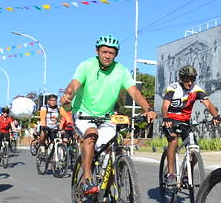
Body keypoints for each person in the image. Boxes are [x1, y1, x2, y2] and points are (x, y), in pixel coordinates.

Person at [60, 34, 157, 194]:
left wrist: (148, 109)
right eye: (104, 52)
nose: (107, 56)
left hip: (106, 116)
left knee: (116, 149)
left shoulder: (121, 70)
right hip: (84, 114)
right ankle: (86, 179)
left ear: (116, 55)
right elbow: (74, 85)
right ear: (97, 51)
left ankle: (106, 191)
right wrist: (68, 96)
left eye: (111, 53)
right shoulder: (86, 66)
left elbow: (134, 92)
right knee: (91, 134)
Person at [161, 65, 221, 186]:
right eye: (186, 80)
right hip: (170, 120)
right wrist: (165, 117)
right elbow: (165, 106)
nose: (189, 83)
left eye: (192, 80)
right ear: (180, 79)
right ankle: (170, 174)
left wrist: (216, 116)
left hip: (185, 122)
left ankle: (186, 174)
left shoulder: (197, 90)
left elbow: (208, 105)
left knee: (194, 149)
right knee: (173, 140)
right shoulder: (173, 88)